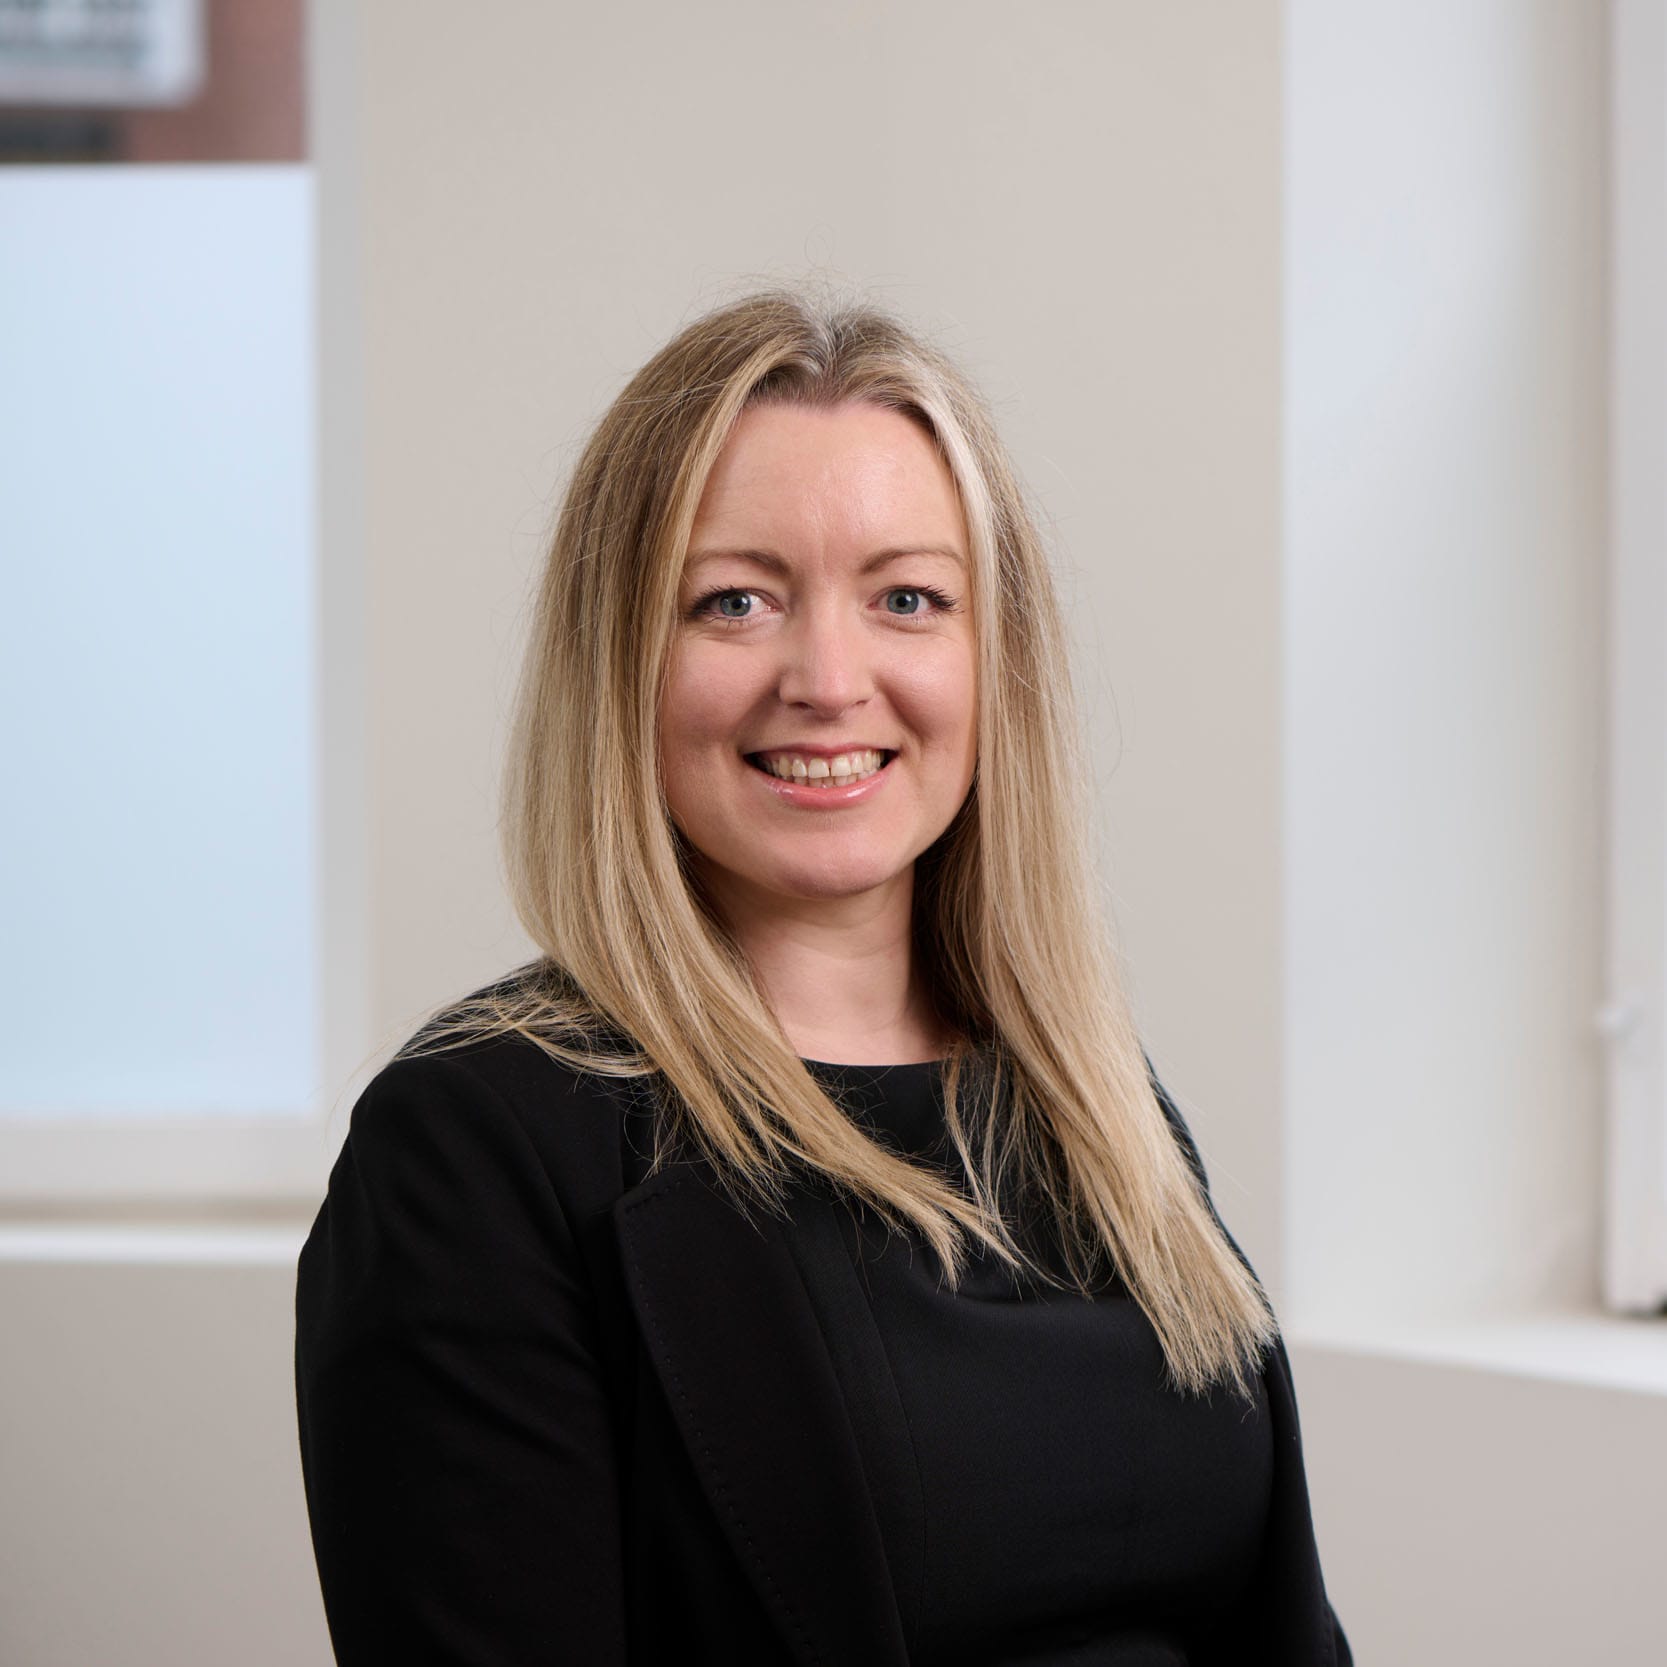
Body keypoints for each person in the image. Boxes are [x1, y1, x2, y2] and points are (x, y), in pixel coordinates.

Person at [294, 290, 1352, 1666]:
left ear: (993, 657)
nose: (830, 679)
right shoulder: (475, 1148)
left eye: (908, 599)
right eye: (734, 601)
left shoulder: (1093, 1101)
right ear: (620, 658)